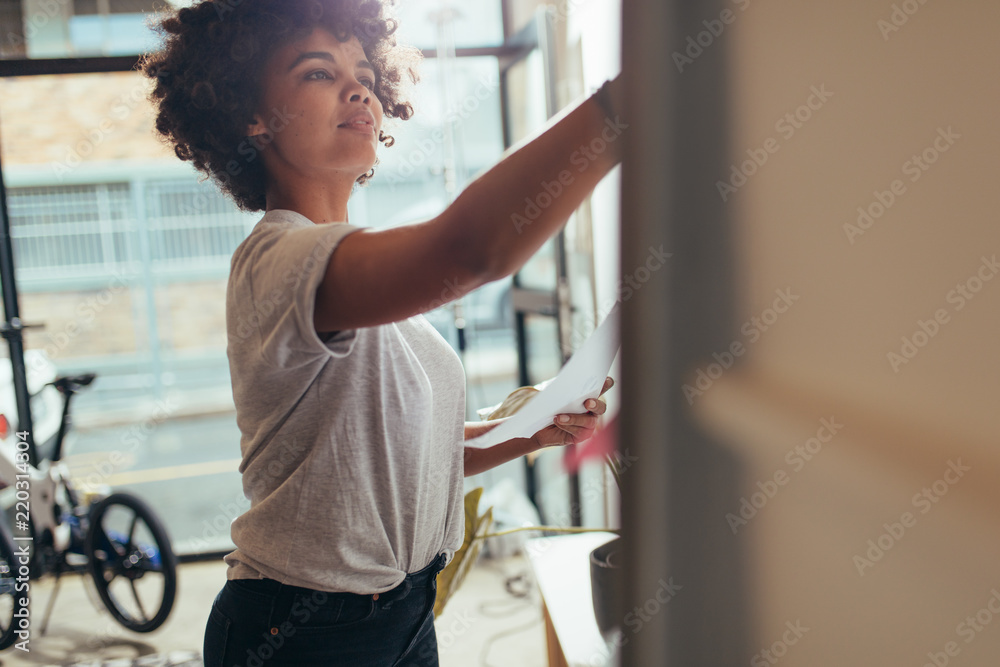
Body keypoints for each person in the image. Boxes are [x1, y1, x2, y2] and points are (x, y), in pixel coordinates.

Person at [143, 0, 625, 664]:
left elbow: (408, 461)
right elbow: (468, 250)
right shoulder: (277, 261)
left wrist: (529, 428)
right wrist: (624, 108)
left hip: (403, 612)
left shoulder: (365, 287)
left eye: (365, 71)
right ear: (249, 114)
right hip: (300, 631)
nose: (358, 87)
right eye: (318, 73)